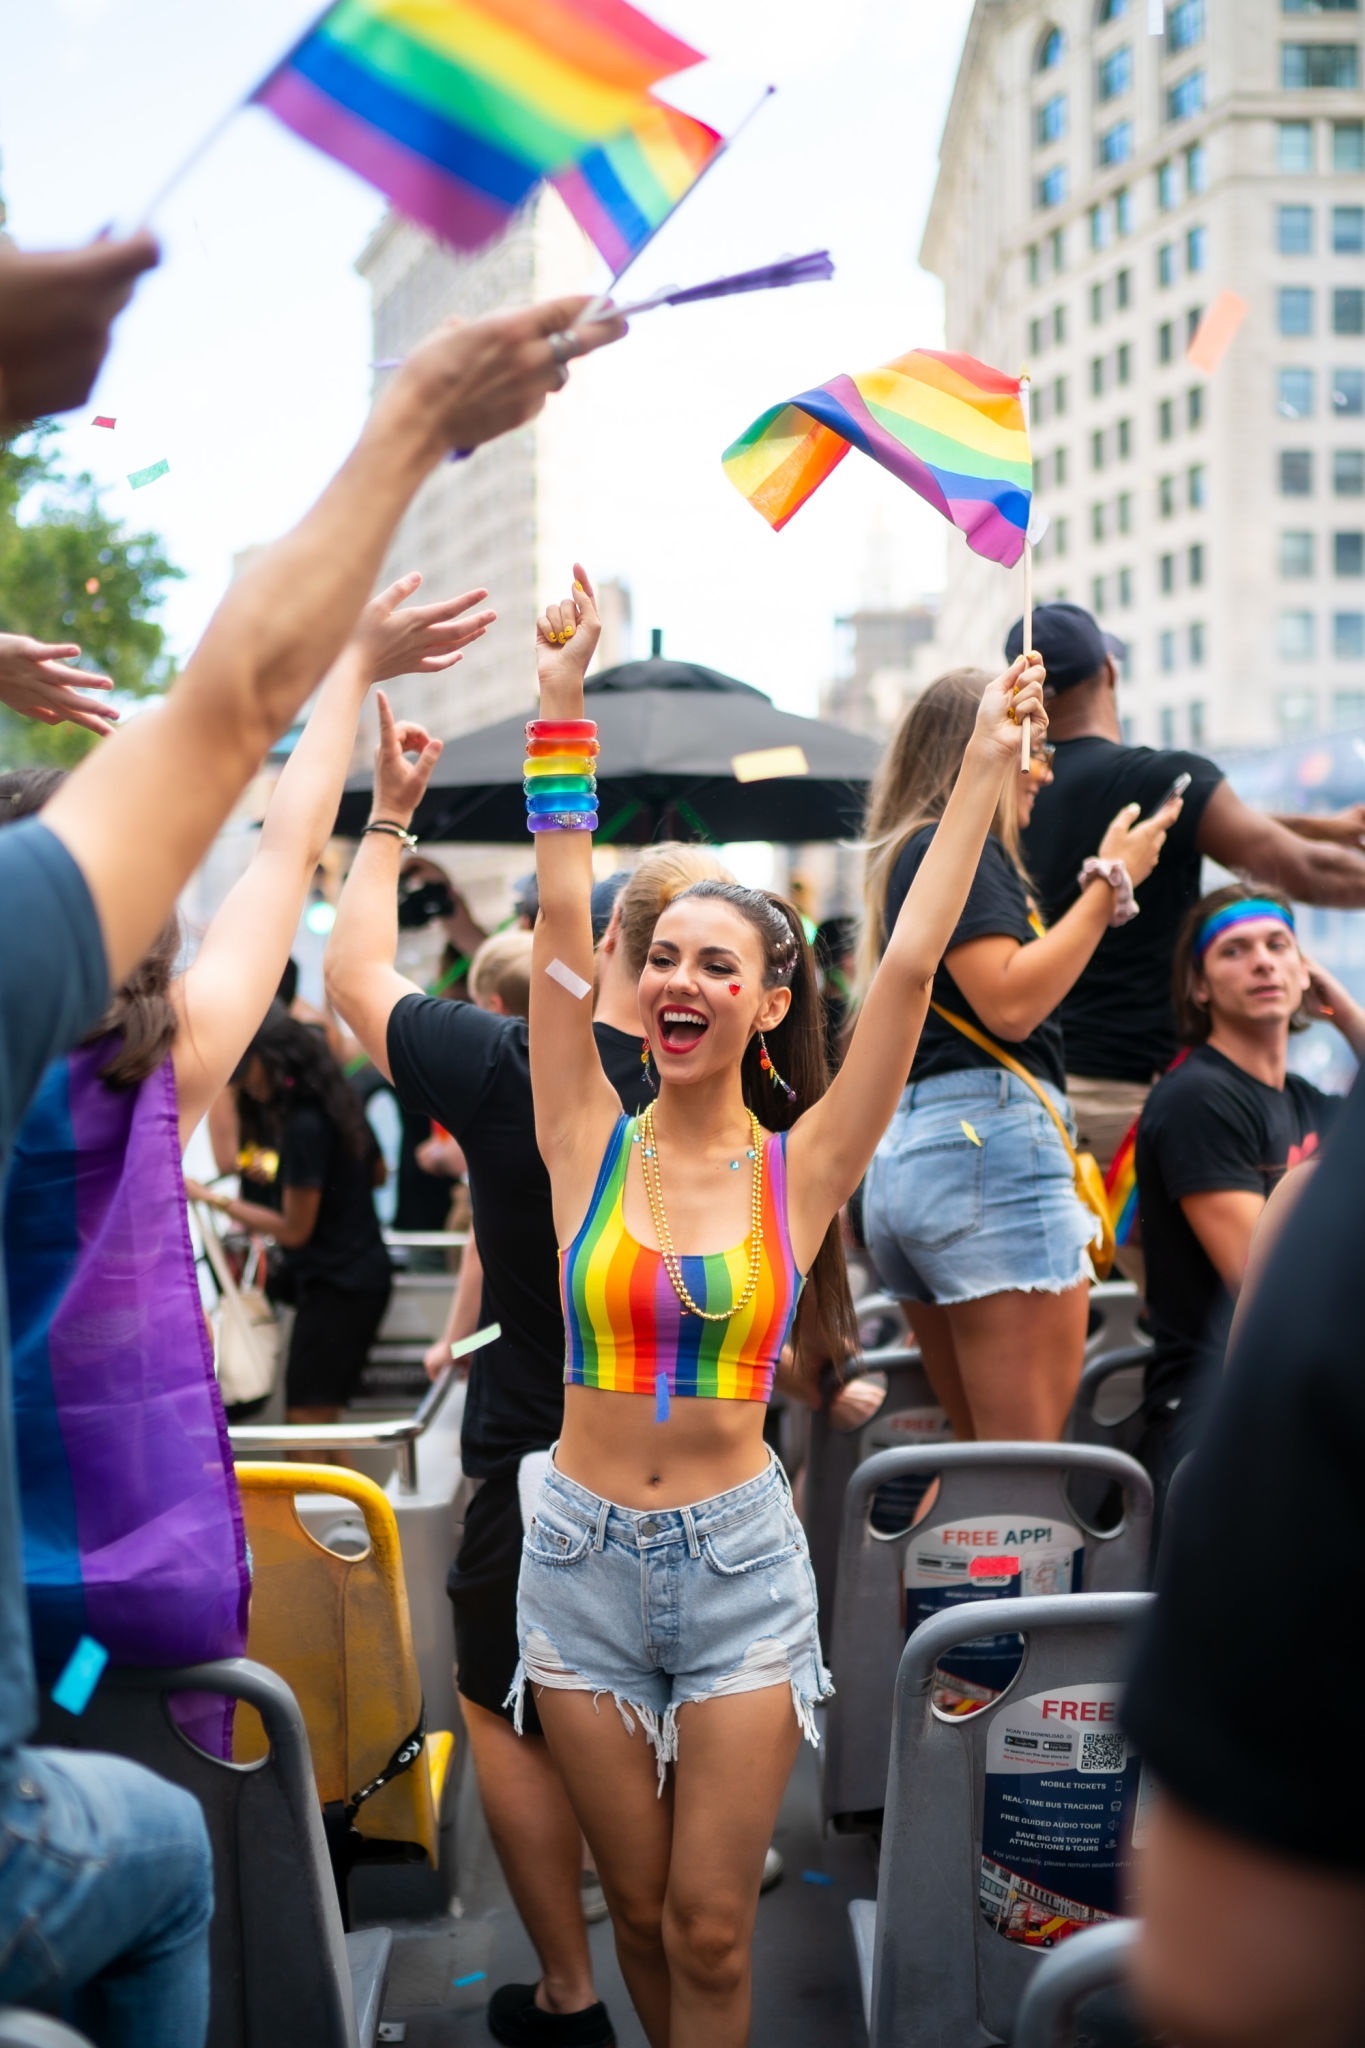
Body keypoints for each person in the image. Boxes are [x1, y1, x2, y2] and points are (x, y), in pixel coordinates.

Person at [0, 272, 624, 2040]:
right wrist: (408, 456)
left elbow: (247, 799)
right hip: (113, 1603)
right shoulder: (142, 1070)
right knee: (174, 1849)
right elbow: (254, 804)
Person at [518, 569, 1045, 2048]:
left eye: (718, 964)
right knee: (634, 1914)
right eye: (665, 956)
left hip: (741, 1563)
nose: (682, 977)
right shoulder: (581, 1132)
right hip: (574, 1560)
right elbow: (567, 892)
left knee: (707, 1925)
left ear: (760, 1005)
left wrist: (985, 777)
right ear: (637, 989)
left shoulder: (804, 1166)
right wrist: (562, 706)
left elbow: (910, 964)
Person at [326, 718, 733, 2047]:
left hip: (534, 1464)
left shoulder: (508, 1070)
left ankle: (567, 1992)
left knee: (504, 1706)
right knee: (679, 1800)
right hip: (715, 1482)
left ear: (596, 946)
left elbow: (351, 973)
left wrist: (390, 813)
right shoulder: (745, 1089)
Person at [857, 667, 1177, 1443]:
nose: (1044, 768)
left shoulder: (916, 854)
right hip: (985, 1156)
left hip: (920, 1161)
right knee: (1021, 1479)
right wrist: (1111, 886)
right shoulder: (948, 850)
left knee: (980, 1468)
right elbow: (1008, 1001)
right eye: (1032, 748)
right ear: (980, 750)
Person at [1124, 1066, 1365, 2048]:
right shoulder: (1214, 1112)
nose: (1274, 958)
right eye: (1244, 941)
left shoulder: (1323, 1165)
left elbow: (1226, 1974)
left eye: (1279, 939)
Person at [1015, 600, 1365, 1185]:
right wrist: (1317, 841)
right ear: (1110, 671)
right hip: (1136, 1110)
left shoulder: (1010, 793)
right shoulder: (1161, 777)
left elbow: (1206, 820)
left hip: (1030, 1101)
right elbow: (1304, 870)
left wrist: (1320, 826)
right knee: (1239, 1275)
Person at [1132, 883, 1364, 1503]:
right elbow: (1274, 1291)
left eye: (1278, 945)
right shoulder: (1197, 1099)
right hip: (1214, 1416)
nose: (1262, 960)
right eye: (1235, 950)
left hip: (1297, 1397)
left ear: (1305, 971)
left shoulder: (1306, 1100)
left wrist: (1341, 1008)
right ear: (1198, 986)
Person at [194, 1009, 393, 1428]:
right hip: (360, 1275)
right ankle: (354, 1498)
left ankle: (324, 1496)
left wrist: (211, 1198)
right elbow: (377, 1174)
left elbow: (294, 1230)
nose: (246, 1081)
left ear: (274, 1060)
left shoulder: (303, 1127)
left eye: (250, 1068)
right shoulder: (339, 1107)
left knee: (305, 1418)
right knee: (323, 1418)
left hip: (336, 1285)